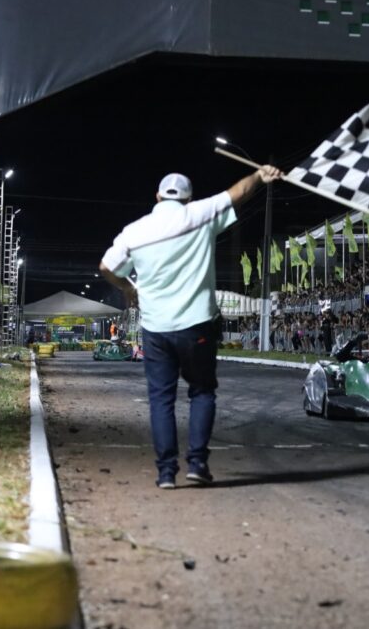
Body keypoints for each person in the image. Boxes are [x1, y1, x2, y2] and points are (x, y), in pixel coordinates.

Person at [100, 165, 284, 489]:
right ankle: (197, 464)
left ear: (156, 197)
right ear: (189, 198)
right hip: (197, 325)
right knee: (202, 393)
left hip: (155, 328)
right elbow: (239, 193)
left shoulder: (135, 231)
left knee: (161, 399)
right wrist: (259, 175)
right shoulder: (199, 215)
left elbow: (106, 266)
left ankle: (166, 472)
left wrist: (128, 288)